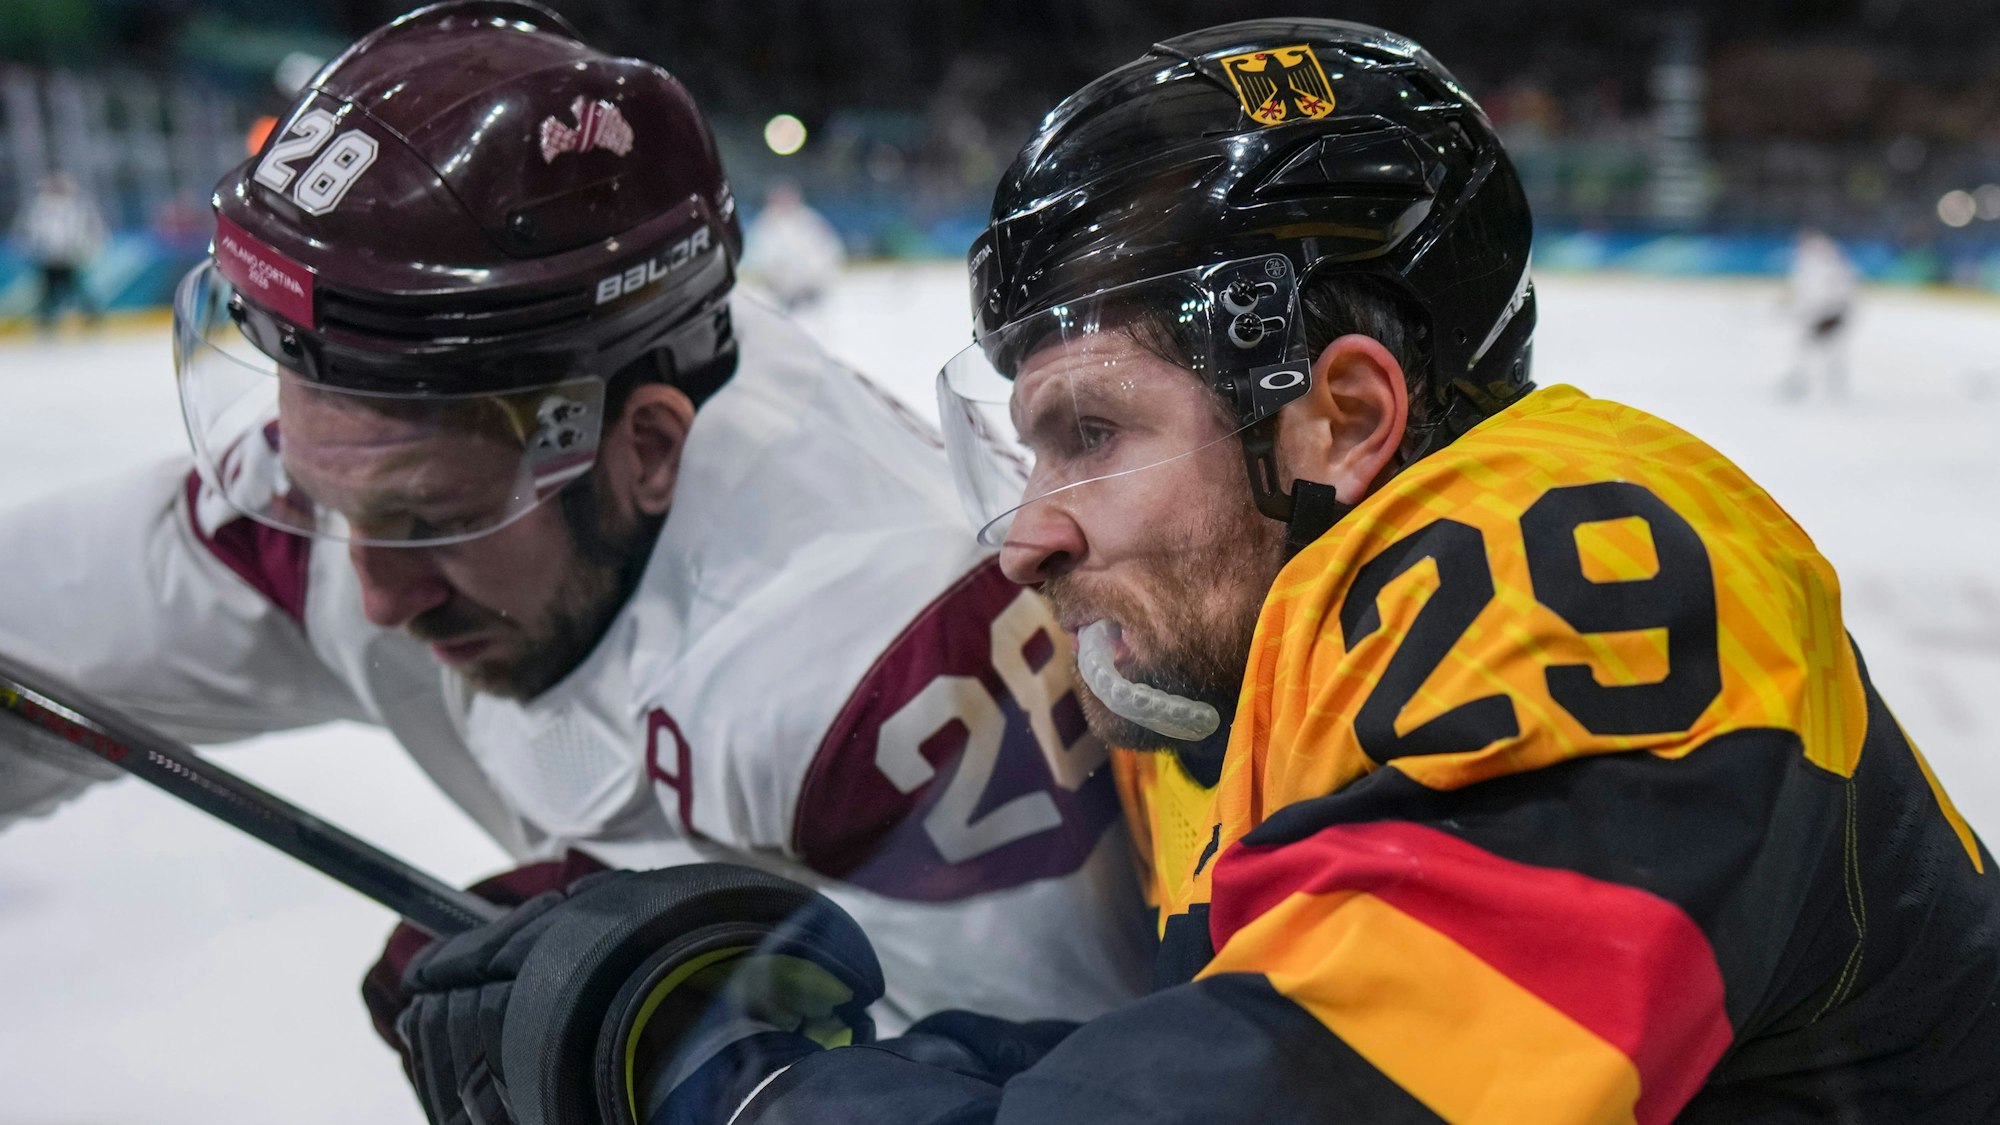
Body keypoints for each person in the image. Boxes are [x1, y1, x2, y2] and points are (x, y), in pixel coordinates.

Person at [391, 19, 2000, 1125]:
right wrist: (762, 1009)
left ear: (1341, 415)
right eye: (1026, 445)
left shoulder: (1568, 560)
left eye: (1090, 430)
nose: (1028, 531)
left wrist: (737, 1085)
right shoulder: (1233, 651)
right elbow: (1248, 1042)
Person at [0, 0, 1150, 1058]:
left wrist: (693, 1059)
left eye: (428, 520)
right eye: (329, 496)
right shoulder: (344, 494)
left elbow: (1077, 1085)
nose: (375, 594)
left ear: (645, 449)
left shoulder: (885, 675)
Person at [11, 170, 106, 331]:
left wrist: (87, 250)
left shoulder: (79, 208)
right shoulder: (37, 210)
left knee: (79, 290)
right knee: (47, 293)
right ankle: (46, 322)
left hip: (72, 258)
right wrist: (32, 251)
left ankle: (93, 319)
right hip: (46, 259)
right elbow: (23, 234)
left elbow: (95, 232)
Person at [739, 180, 847, 313]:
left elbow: (830, 248)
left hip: (812, 290)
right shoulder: (764, 225)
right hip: (779, 294)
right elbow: (756, 257)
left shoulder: (810, 221)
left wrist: (819, 276)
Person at [1778, 227, 1859, 401]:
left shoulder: (1812, 262)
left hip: (1828, 312)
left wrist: (1802, 311)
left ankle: (1803, 383)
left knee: (1809, 347)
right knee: (1827, 349)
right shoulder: (1834, 258)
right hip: (1838, 312)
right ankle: (1832, 383)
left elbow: (1813, 293)